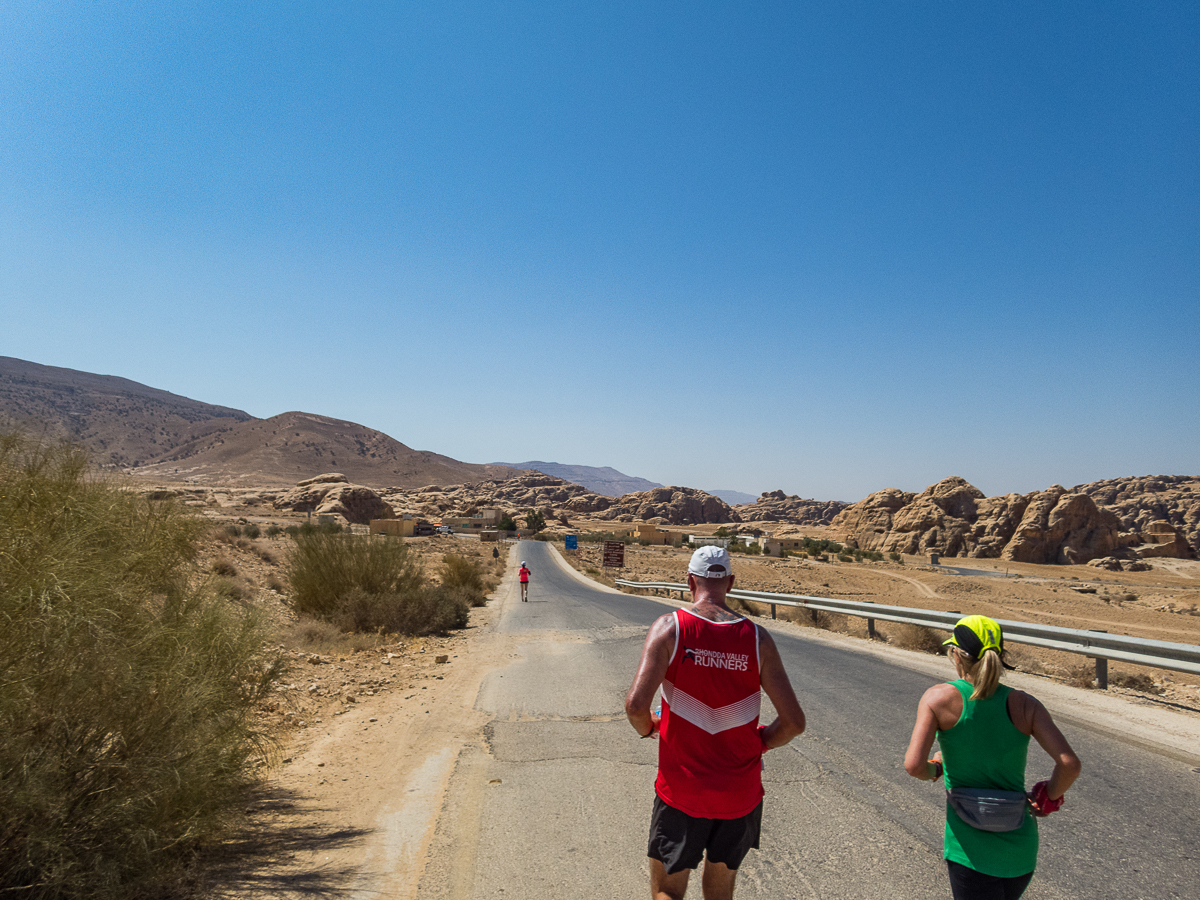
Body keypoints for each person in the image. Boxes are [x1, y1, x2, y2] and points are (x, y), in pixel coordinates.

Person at [625, 545, 806, 900]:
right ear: (731, 583)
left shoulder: (670, 628)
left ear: (689, 580)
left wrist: (650, 727)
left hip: (681, 792)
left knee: (669, 892)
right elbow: (794, 723)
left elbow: (635, 706)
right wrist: (762, 742)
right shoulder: (758, 639)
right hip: (739, 794)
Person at [904, 615, 1082, 900]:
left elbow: (913, 766)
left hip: (970, 850)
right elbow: (1069, 764)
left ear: (956, 655)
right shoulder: (1026, 705)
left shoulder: (937, 699)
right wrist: (1048, 797)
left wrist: (936, 770)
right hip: (1019, 849)